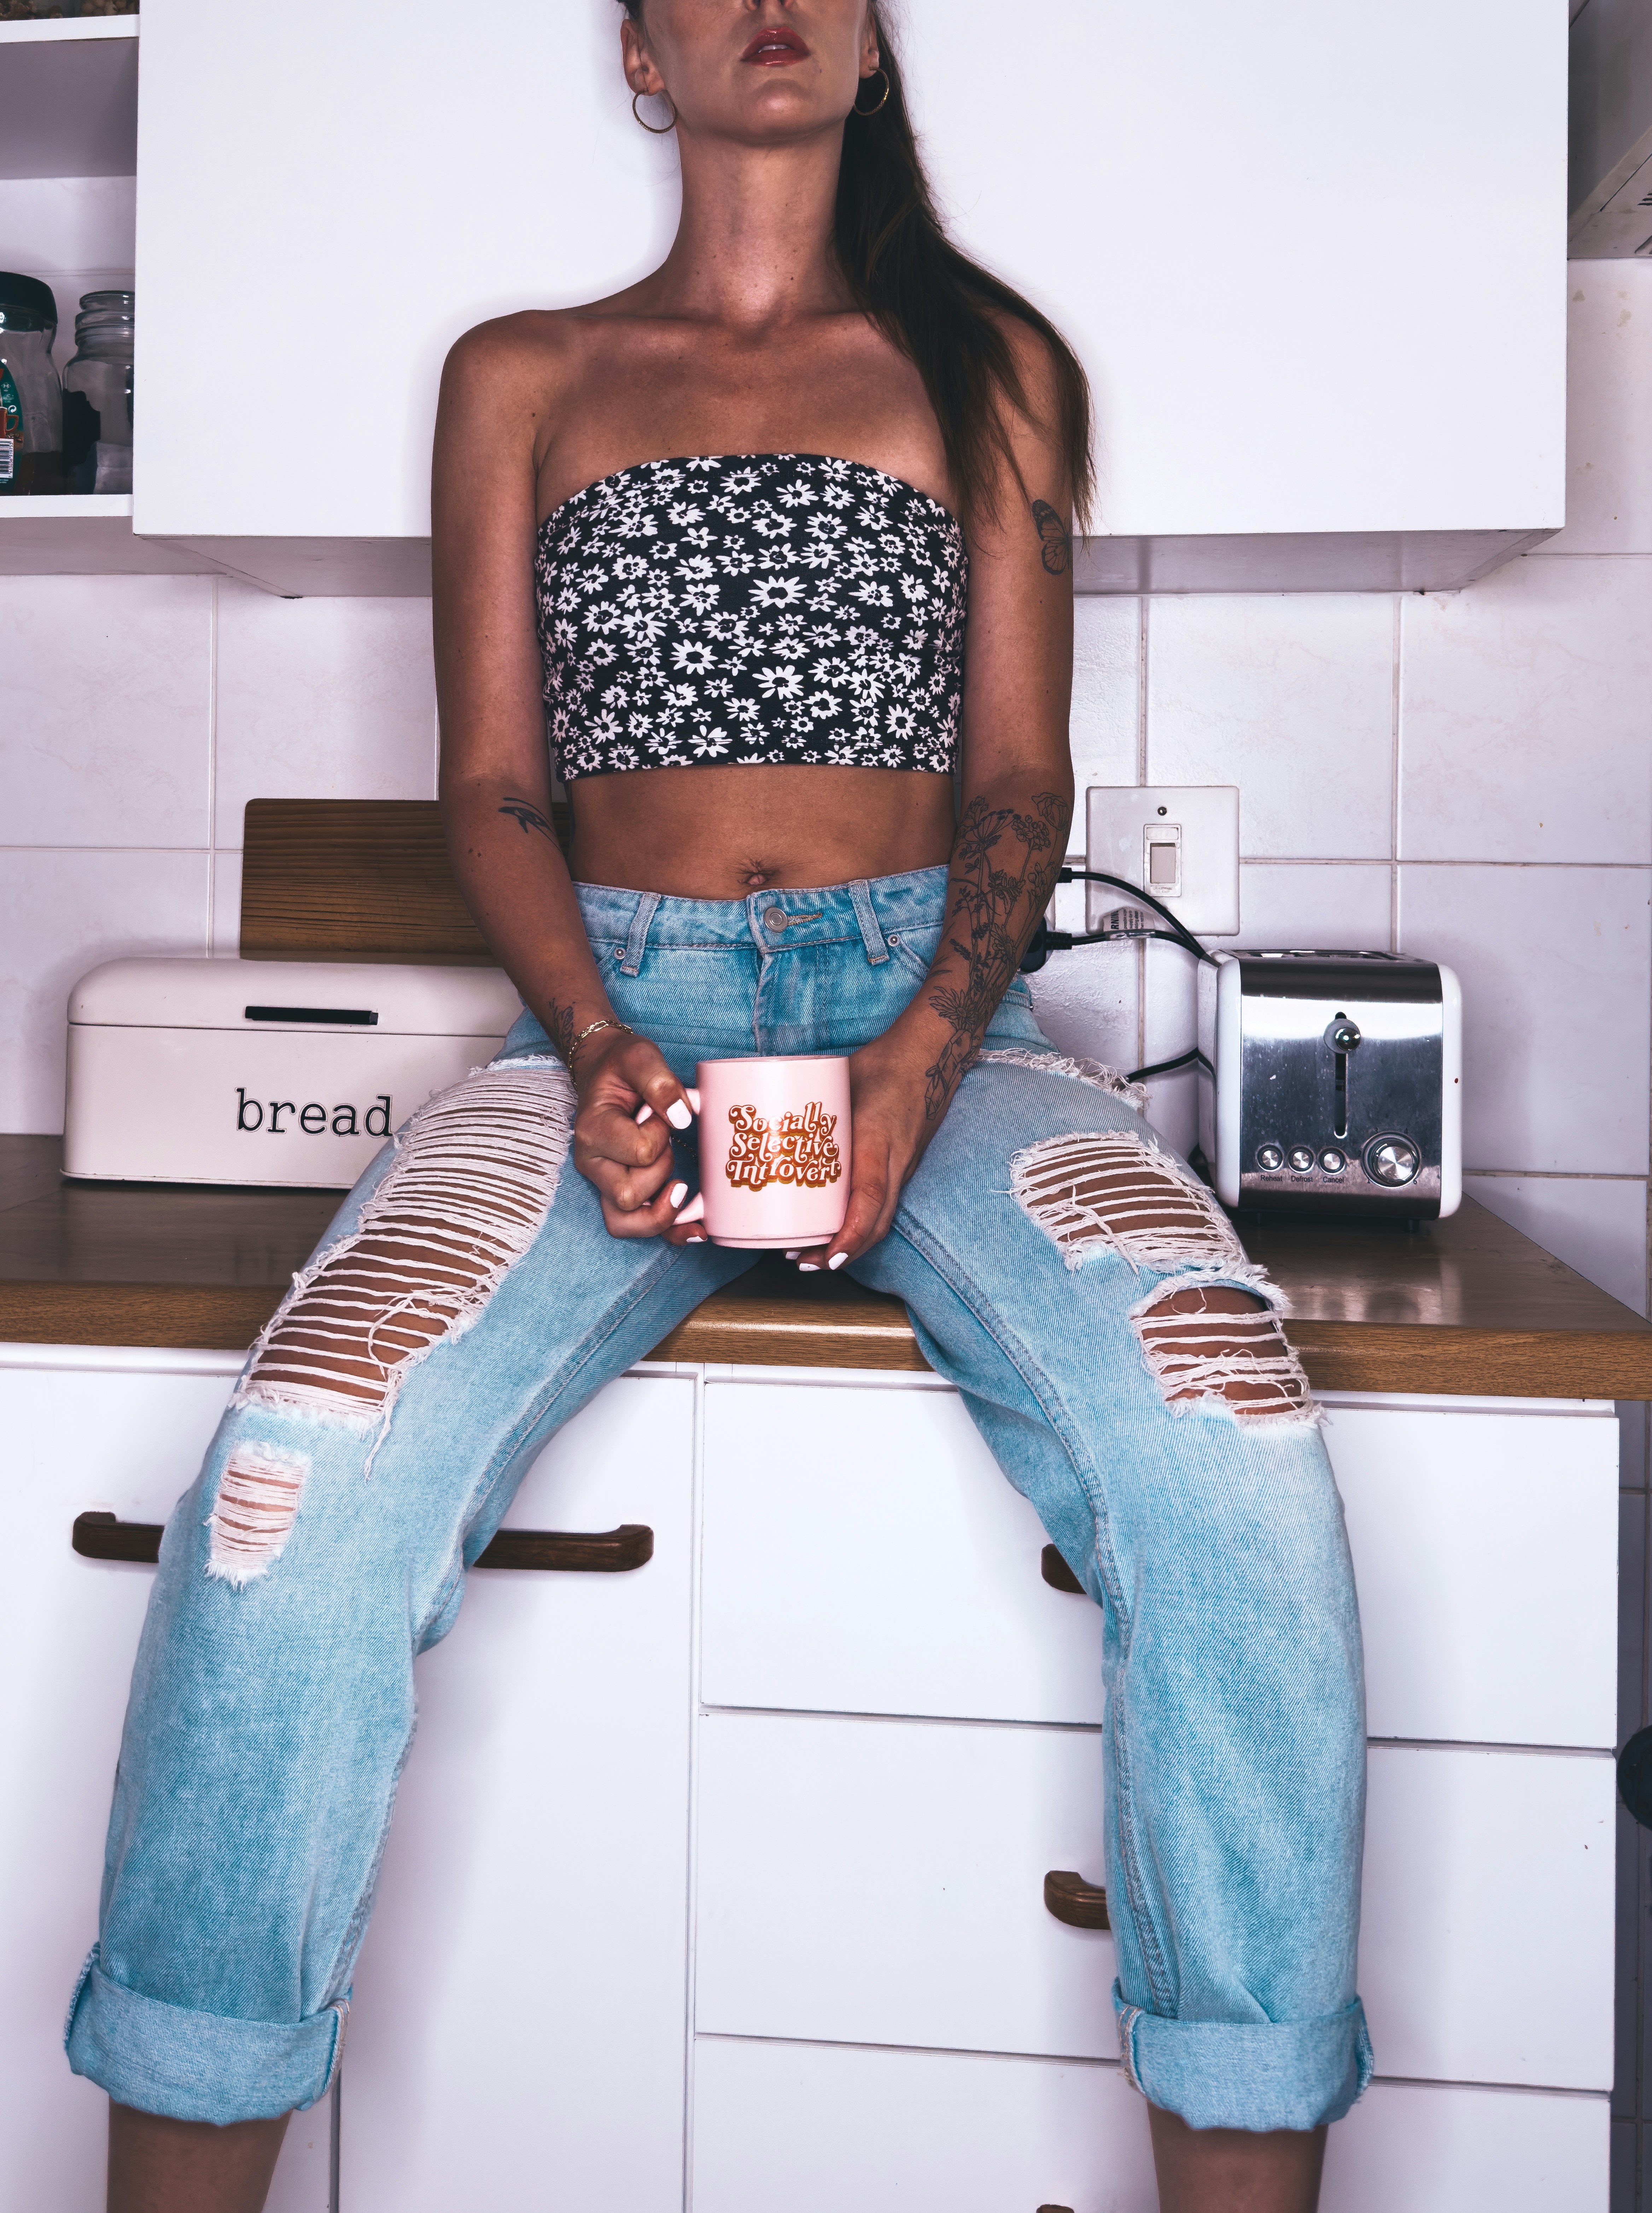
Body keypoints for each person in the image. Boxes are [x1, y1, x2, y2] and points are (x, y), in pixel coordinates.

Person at [70, 5, 1370, 2208]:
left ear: (867, 49)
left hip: (935, 1032)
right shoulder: (524, 377)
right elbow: (491, 786)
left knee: (1227, 1446)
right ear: (640, 55)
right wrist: (591, 1051)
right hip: (613, 1012)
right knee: (295, 1477)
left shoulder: (993, 368)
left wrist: (913, 1058)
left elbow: (1019, 787)